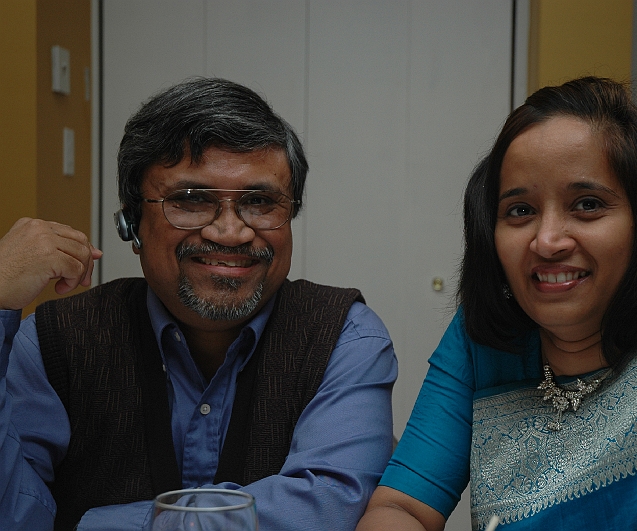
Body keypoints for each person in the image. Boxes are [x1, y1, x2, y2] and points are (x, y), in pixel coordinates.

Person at [356, 77, 637, 530]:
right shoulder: (484, 341)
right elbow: (401, 507)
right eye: (520, 211)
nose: (547, 241)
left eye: (587, 205)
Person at [0, 77, 398, 531]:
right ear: (132, 222)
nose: (230, 232)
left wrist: (93, 525)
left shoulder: (346, 338)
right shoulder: (54, 343)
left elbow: (328, 507)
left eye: (260, 202)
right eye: (191, 201)